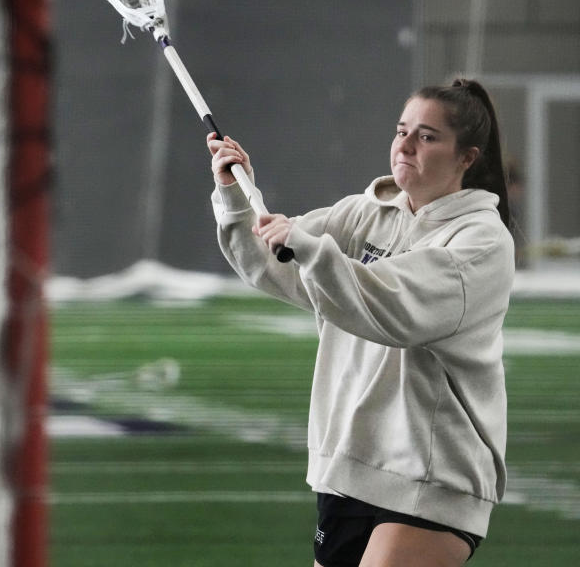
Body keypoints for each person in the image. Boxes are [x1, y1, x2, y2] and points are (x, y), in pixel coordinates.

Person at [207, 78, 514, 567]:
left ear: (467, 158)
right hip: (350, 467)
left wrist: (308, 246)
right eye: (401, 130)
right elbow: (275, 264)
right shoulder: (363, 213)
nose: (406, 145)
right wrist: (236, 196)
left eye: (427, 136)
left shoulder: (481, 242)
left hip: (434, 477)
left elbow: (393, 305)